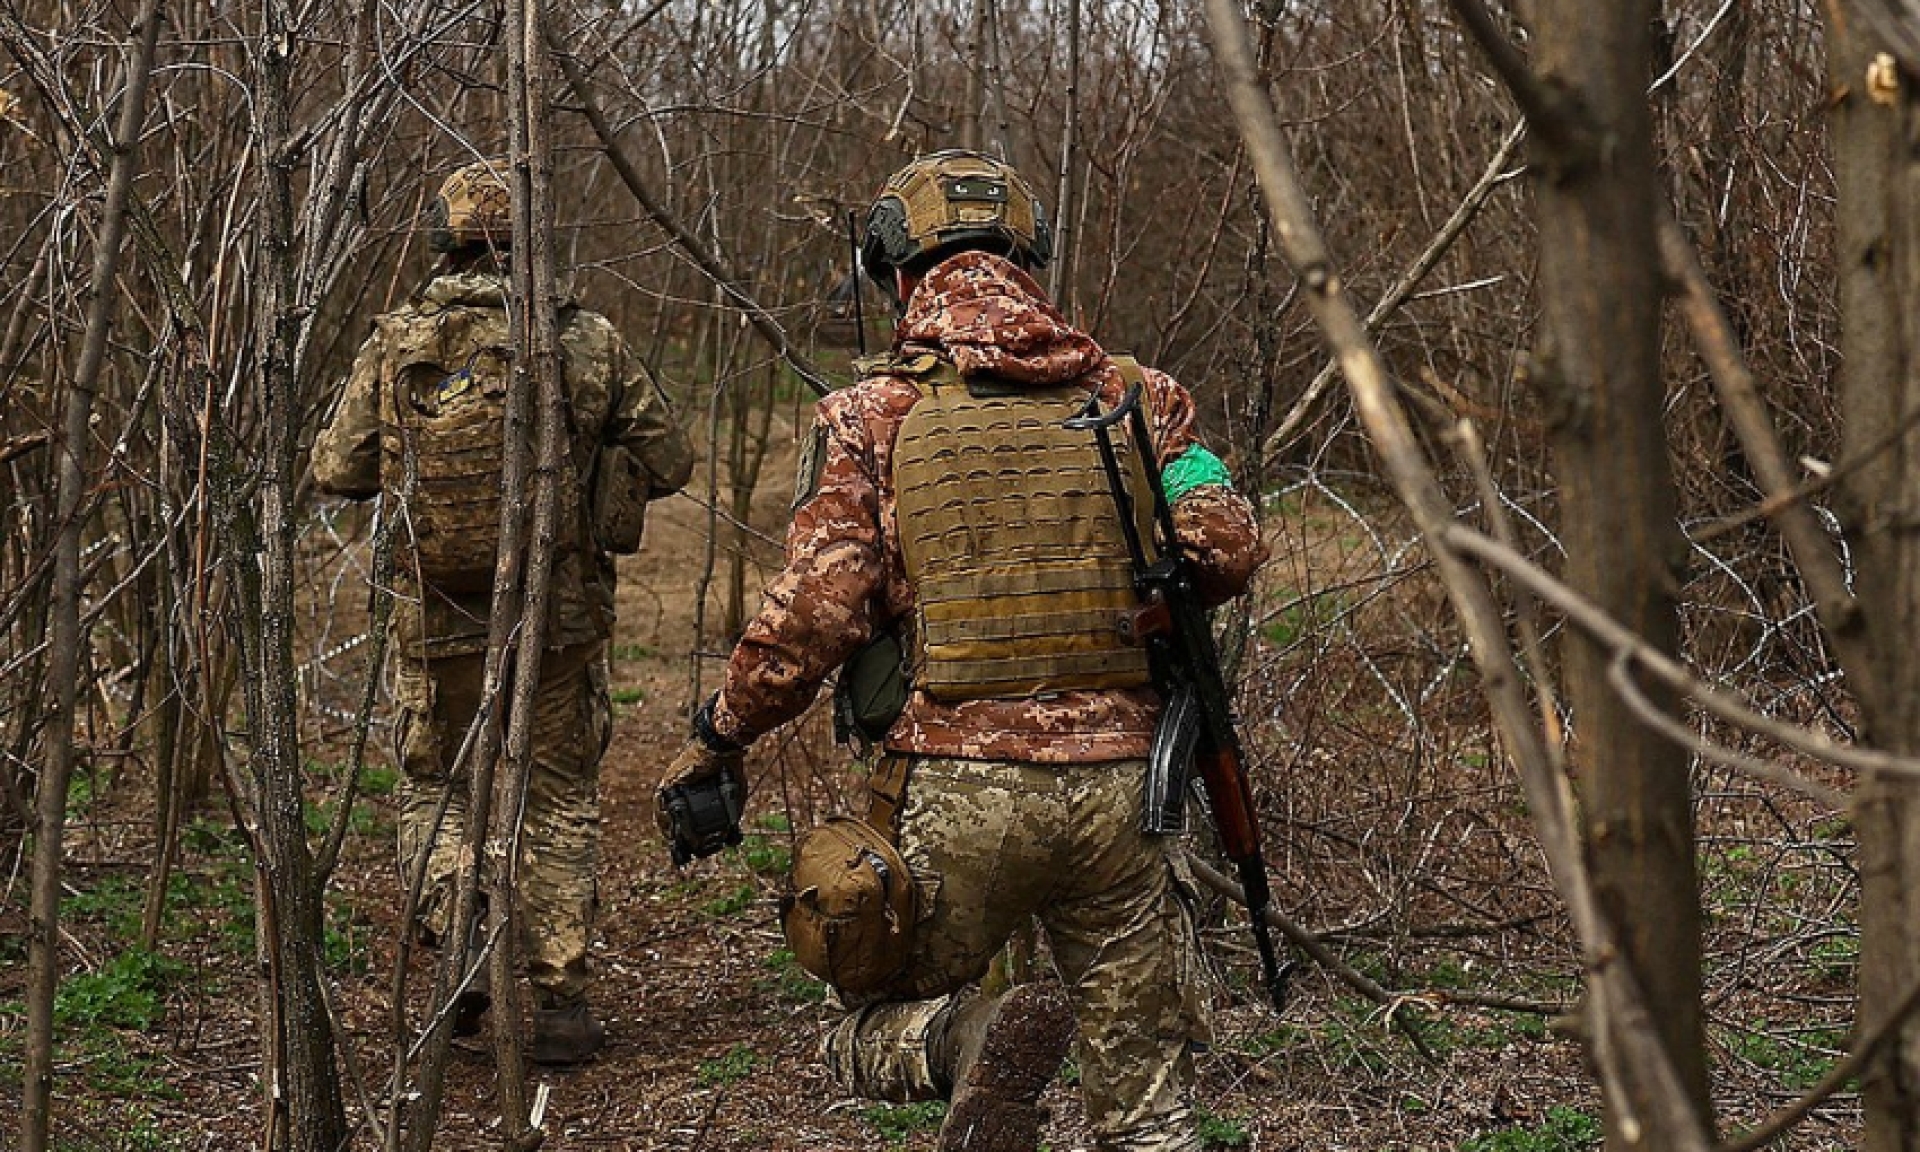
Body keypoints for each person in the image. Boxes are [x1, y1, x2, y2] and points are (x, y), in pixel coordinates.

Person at [654, 150, 1267, 1151]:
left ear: (896, 272)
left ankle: (968, 1039)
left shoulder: (872, 417)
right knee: (1149, 1111)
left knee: (860, 1024)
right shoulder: (1141, 398)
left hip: (955, 792)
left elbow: (814, 614)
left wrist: (721, 734)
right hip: (1127, 795)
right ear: (1033, 260)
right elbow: (1227, 541)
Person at [315, 158, 693, 1065]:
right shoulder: (584, 338)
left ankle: (461, 951)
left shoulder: (395, 342)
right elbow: (672, 458)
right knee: (558, 795)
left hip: (433, 617)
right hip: (555, 619)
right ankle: (561, 1001)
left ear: (445, 243)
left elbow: (336, 469)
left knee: (437, 786)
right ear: (530, 246)